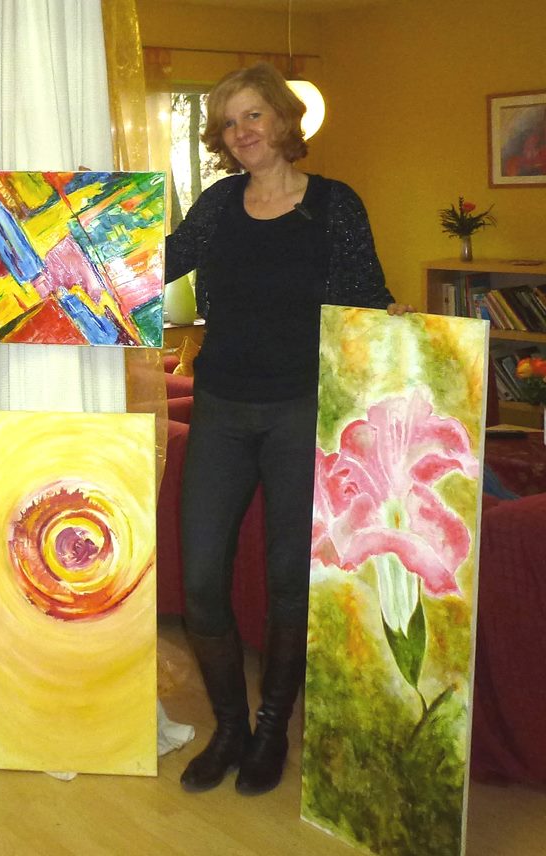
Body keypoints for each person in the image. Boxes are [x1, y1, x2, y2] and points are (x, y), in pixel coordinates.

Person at [164, 63, 411, 797]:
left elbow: (364, 298)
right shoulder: (217, 206)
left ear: (282, 119)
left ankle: (271, 729)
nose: (241, 132)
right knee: (200, 582)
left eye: (253, 115)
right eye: (228, 122)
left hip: (304, 409)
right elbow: (148, 265)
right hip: (221, 407)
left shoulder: (334, 205)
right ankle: (229, 729)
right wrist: (80, 221)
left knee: (287, 581)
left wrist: (394, 324)